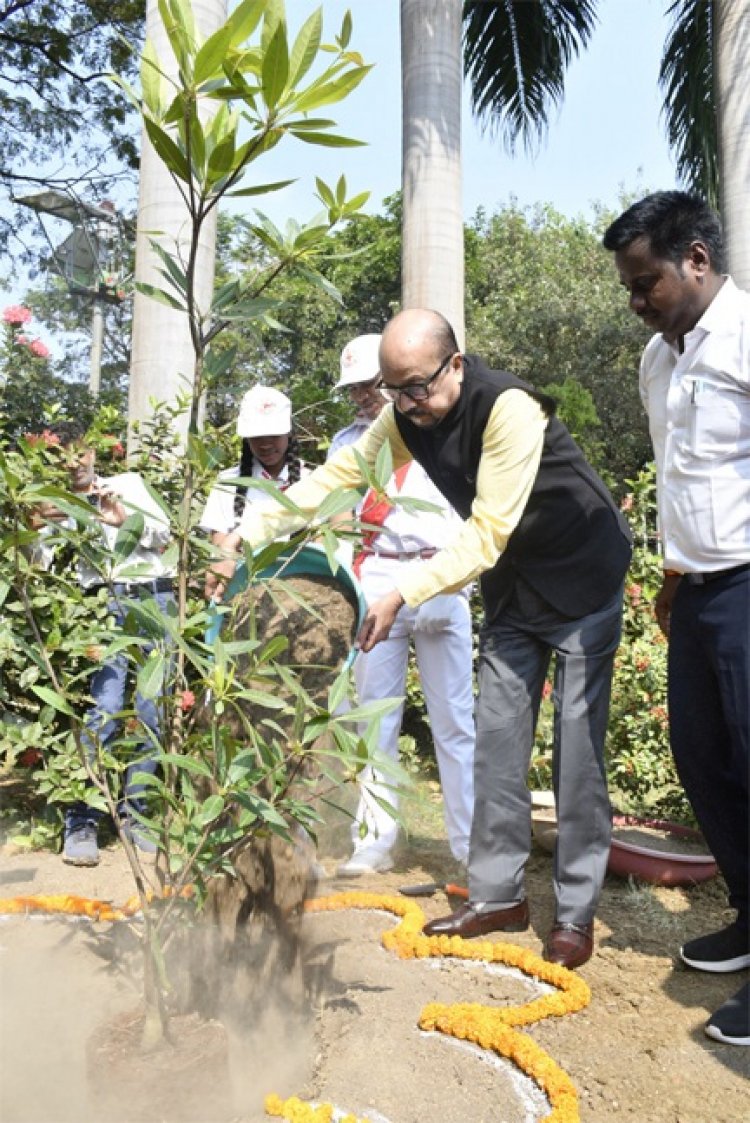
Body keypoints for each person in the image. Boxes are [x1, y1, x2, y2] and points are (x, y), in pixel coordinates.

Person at [207, 308, 632, 969]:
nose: (406, 404)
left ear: (455, 365)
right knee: (494, 740)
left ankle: (575, 912)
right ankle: (498, 895)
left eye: (417, 387)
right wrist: (248, 533)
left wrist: (402, 590)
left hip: (582, 579)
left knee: (576, 753)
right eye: (394, 389)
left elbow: (487, 532)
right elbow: (342, 476)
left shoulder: (509, 410)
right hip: (517, 589)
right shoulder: (406, 413)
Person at [603, 191, 750, 1046]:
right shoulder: (660, 361)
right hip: (696, 593)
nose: (636, 303)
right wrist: (671, 577)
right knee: (706, 761)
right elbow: (684, 482)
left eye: (645, 282)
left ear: (696, 259)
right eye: (628, 287)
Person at [330, 333, 475, 876]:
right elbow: (338, 516)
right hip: (377, 572)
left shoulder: (439, 431)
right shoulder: (347, 443)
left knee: (454, 718)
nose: (364, 397)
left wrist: (457, 583)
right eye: (356, 389)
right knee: (375, 718)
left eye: (372, 386)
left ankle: (466, 844)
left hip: (438, 571)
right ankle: (373, 838)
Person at [32, 422, 175, 867]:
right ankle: (82, 820)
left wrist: (123, 519)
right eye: (62, 458)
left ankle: (137, 816)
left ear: (93, 452)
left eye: (79, 453)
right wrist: (35, 521)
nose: (73, 463)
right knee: (105, 708)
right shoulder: (58, 504)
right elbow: (40, 565)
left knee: (152, 709)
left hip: (153, 596)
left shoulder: (127, 484)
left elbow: (166, 536)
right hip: (103, 603)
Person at [200, 385, 306, 544]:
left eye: (273, 435)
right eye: (256, 437)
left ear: (289, 432)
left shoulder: (310, 481)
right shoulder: (227, 484)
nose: (265, 444)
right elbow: (219, 550)